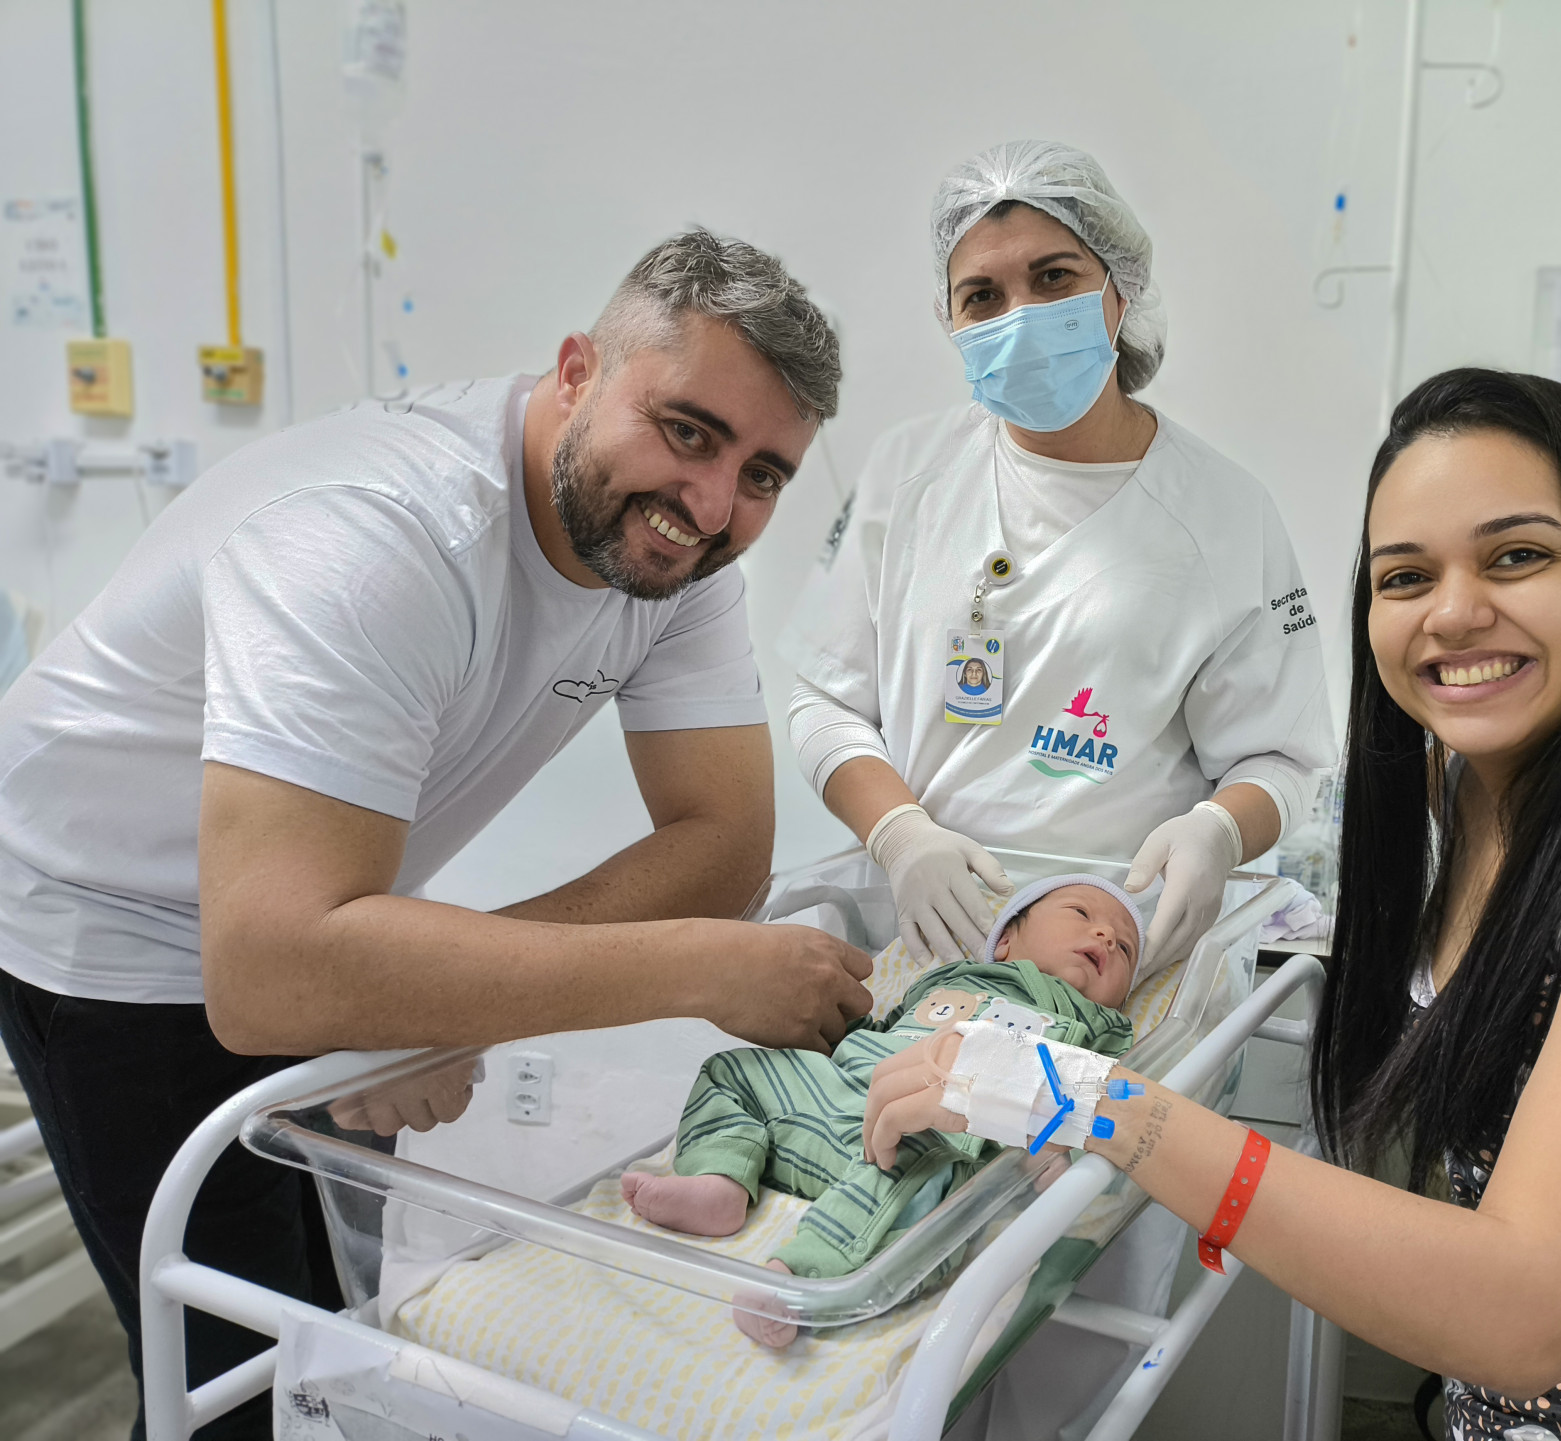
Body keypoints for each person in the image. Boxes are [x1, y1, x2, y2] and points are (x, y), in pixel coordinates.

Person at [874, 367, 1561, 1438]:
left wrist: (1092, 1101)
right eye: (1405, 575)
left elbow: (1528, 1308)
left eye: (1518, 555)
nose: (1455, 613)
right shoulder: (1466, 784)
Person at [0, 229, 873, 1440]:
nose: (714, 502)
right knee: (240, 1378)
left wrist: (431, 995)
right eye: (687, 430)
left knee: (329, 1335)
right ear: (577, 371)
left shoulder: (679, 558)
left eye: (766, 472)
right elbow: (267, 975)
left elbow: (723, 846)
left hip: (308, 907)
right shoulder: (372, 537)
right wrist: (693, 968)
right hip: (109, 914)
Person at [782, 139, 1335, 1431]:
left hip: (1118, 979)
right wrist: (903, 834)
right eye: (982, 295)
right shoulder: (908, 480)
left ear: (1119, 294)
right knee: (874, 1255)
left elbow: (1285, 759)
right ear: (949, 317)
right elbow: (822, 698)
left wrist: (1213, 831)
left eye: (1053, 276)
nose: (1017, 315)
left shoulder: (1219, 512)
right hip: (925, 940)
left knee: (1072, 1327)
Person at [623, 875, 1141, 1348]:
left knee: (918, 1161)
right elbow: (884, 1031)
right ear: (1005, 939)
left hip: (929, 1131)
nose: (1106, 938)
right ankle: (721, 1178)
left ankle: (802, 1279)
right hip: (846, 1090)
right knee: (734, 1071)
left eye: (1125, 948)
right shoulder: (948, 979)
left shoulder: (1100, 1027)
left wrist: (1054, 1155)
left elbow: (1092, 1101)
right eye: (1081, 913)